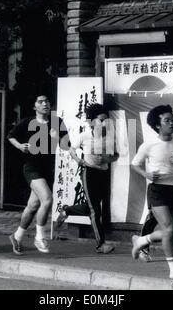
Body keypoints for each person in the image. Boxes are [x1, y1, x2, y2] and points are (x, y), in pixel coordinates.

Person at [130, 105, 173, 281]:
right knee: (169, 228)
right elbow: (134, 164)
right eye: (167, 120)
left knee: (170, 231)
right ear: (158, 125)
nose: (172, 123)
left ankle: (142, 241)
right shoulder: (149, 145)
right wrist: (147, 174)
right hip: (157, 190)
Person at [8, 95, 69, 255]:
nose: (45, 104)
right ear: (34, 106)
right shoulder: (27, 122)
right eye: (40, 102)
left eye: (47, 101)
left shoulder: (57, 122)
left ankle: (17, 236)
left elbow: (66, 146)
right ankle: (39, 237)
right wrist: (20, 146)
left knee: (33, 206)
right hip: (31, 167)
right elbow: (10, 136)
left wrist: (57, 138)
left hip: (47, 169)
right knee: (47, 199)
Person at [56, 103, 118, 254]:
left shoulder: (109, 137)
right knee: (95, 210)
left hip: (103, 174)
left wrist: (108, 159)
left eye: (106, 120)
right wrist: (78, 160)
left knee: (94, 207)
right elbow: (71, 149)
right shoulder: (84, 136)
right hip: (89, 173)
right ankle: (101, 244)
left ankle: (67, 210)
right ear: (92, 121)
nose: (104, 123)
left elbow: (115, 155)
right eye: (101, 120)